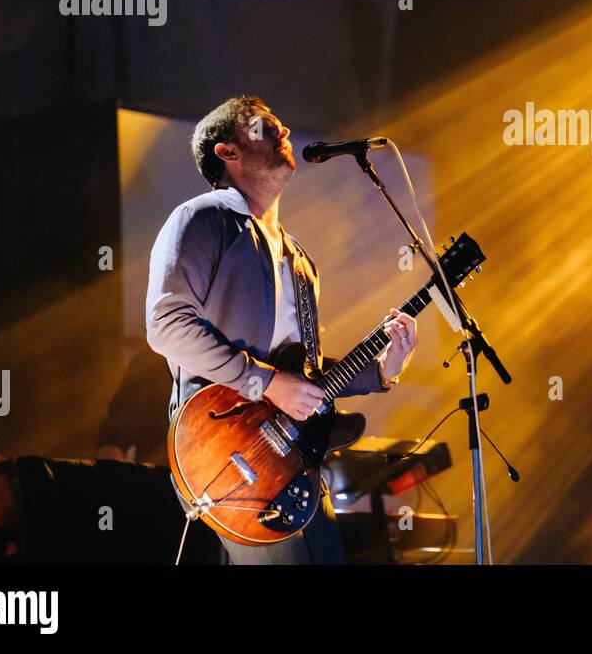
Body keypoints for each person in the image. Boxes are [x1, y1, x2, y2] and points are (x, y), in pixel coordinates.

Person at [146, 95, 417, 563]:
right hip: (225, 451)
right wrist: (267, 383)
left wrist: (381, 371)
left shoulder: (300, 261)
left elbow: (304, 374)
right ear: (227, 151)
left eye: (280, 126)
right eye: (263, 127)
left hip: (292, 461)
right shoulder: (202, 219)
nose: (284, 132)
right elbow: (166, 325)